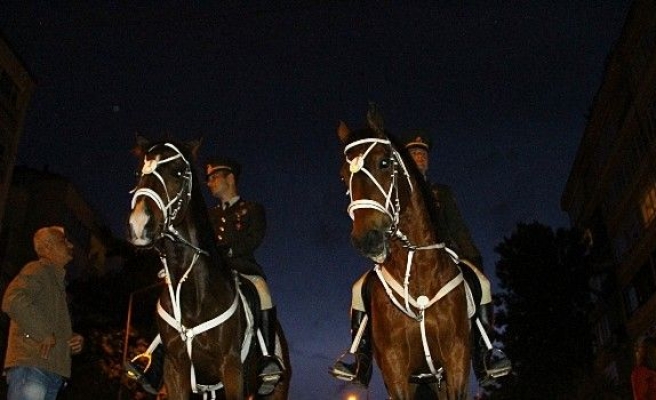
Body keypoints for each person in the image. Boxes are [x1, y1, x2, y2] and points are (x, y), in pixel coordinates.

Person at [330, 130, 511, 387]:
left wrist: (471, 257)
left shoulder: (440, 192)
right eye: (414, 154)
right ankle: (361, 359)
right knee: (359, 289)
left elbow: (457, 226)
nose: (420, 158)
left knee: (481, 283)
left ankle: (485, 356)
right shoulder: (395, 190)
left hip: (442, 254)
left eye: (423, 155)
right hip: (399, 259)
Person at [126, 157, 284, 396]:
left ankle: (267, 357)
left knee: (261, 290)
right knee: (172, 296)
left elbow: (254, 238)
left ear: (230, 178)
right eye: (208, 177)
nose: (209, 182)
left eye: (214, 177)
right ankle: (154, 360)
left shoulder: (252, 209)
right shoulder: (207, 215)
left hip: (242, 269)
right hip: (205, 274)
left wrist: (222, 254)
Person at [2, 226, 84, 400]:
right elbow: (12, 300)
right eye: (64, 241)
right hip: (32, 367)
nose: (70, 245)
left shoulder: (57, 283)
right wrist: (43, 332)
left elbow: (51, 328)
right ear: (48, 246)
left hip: (49, 372)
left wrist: (73, 339)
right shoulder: (37, 269)